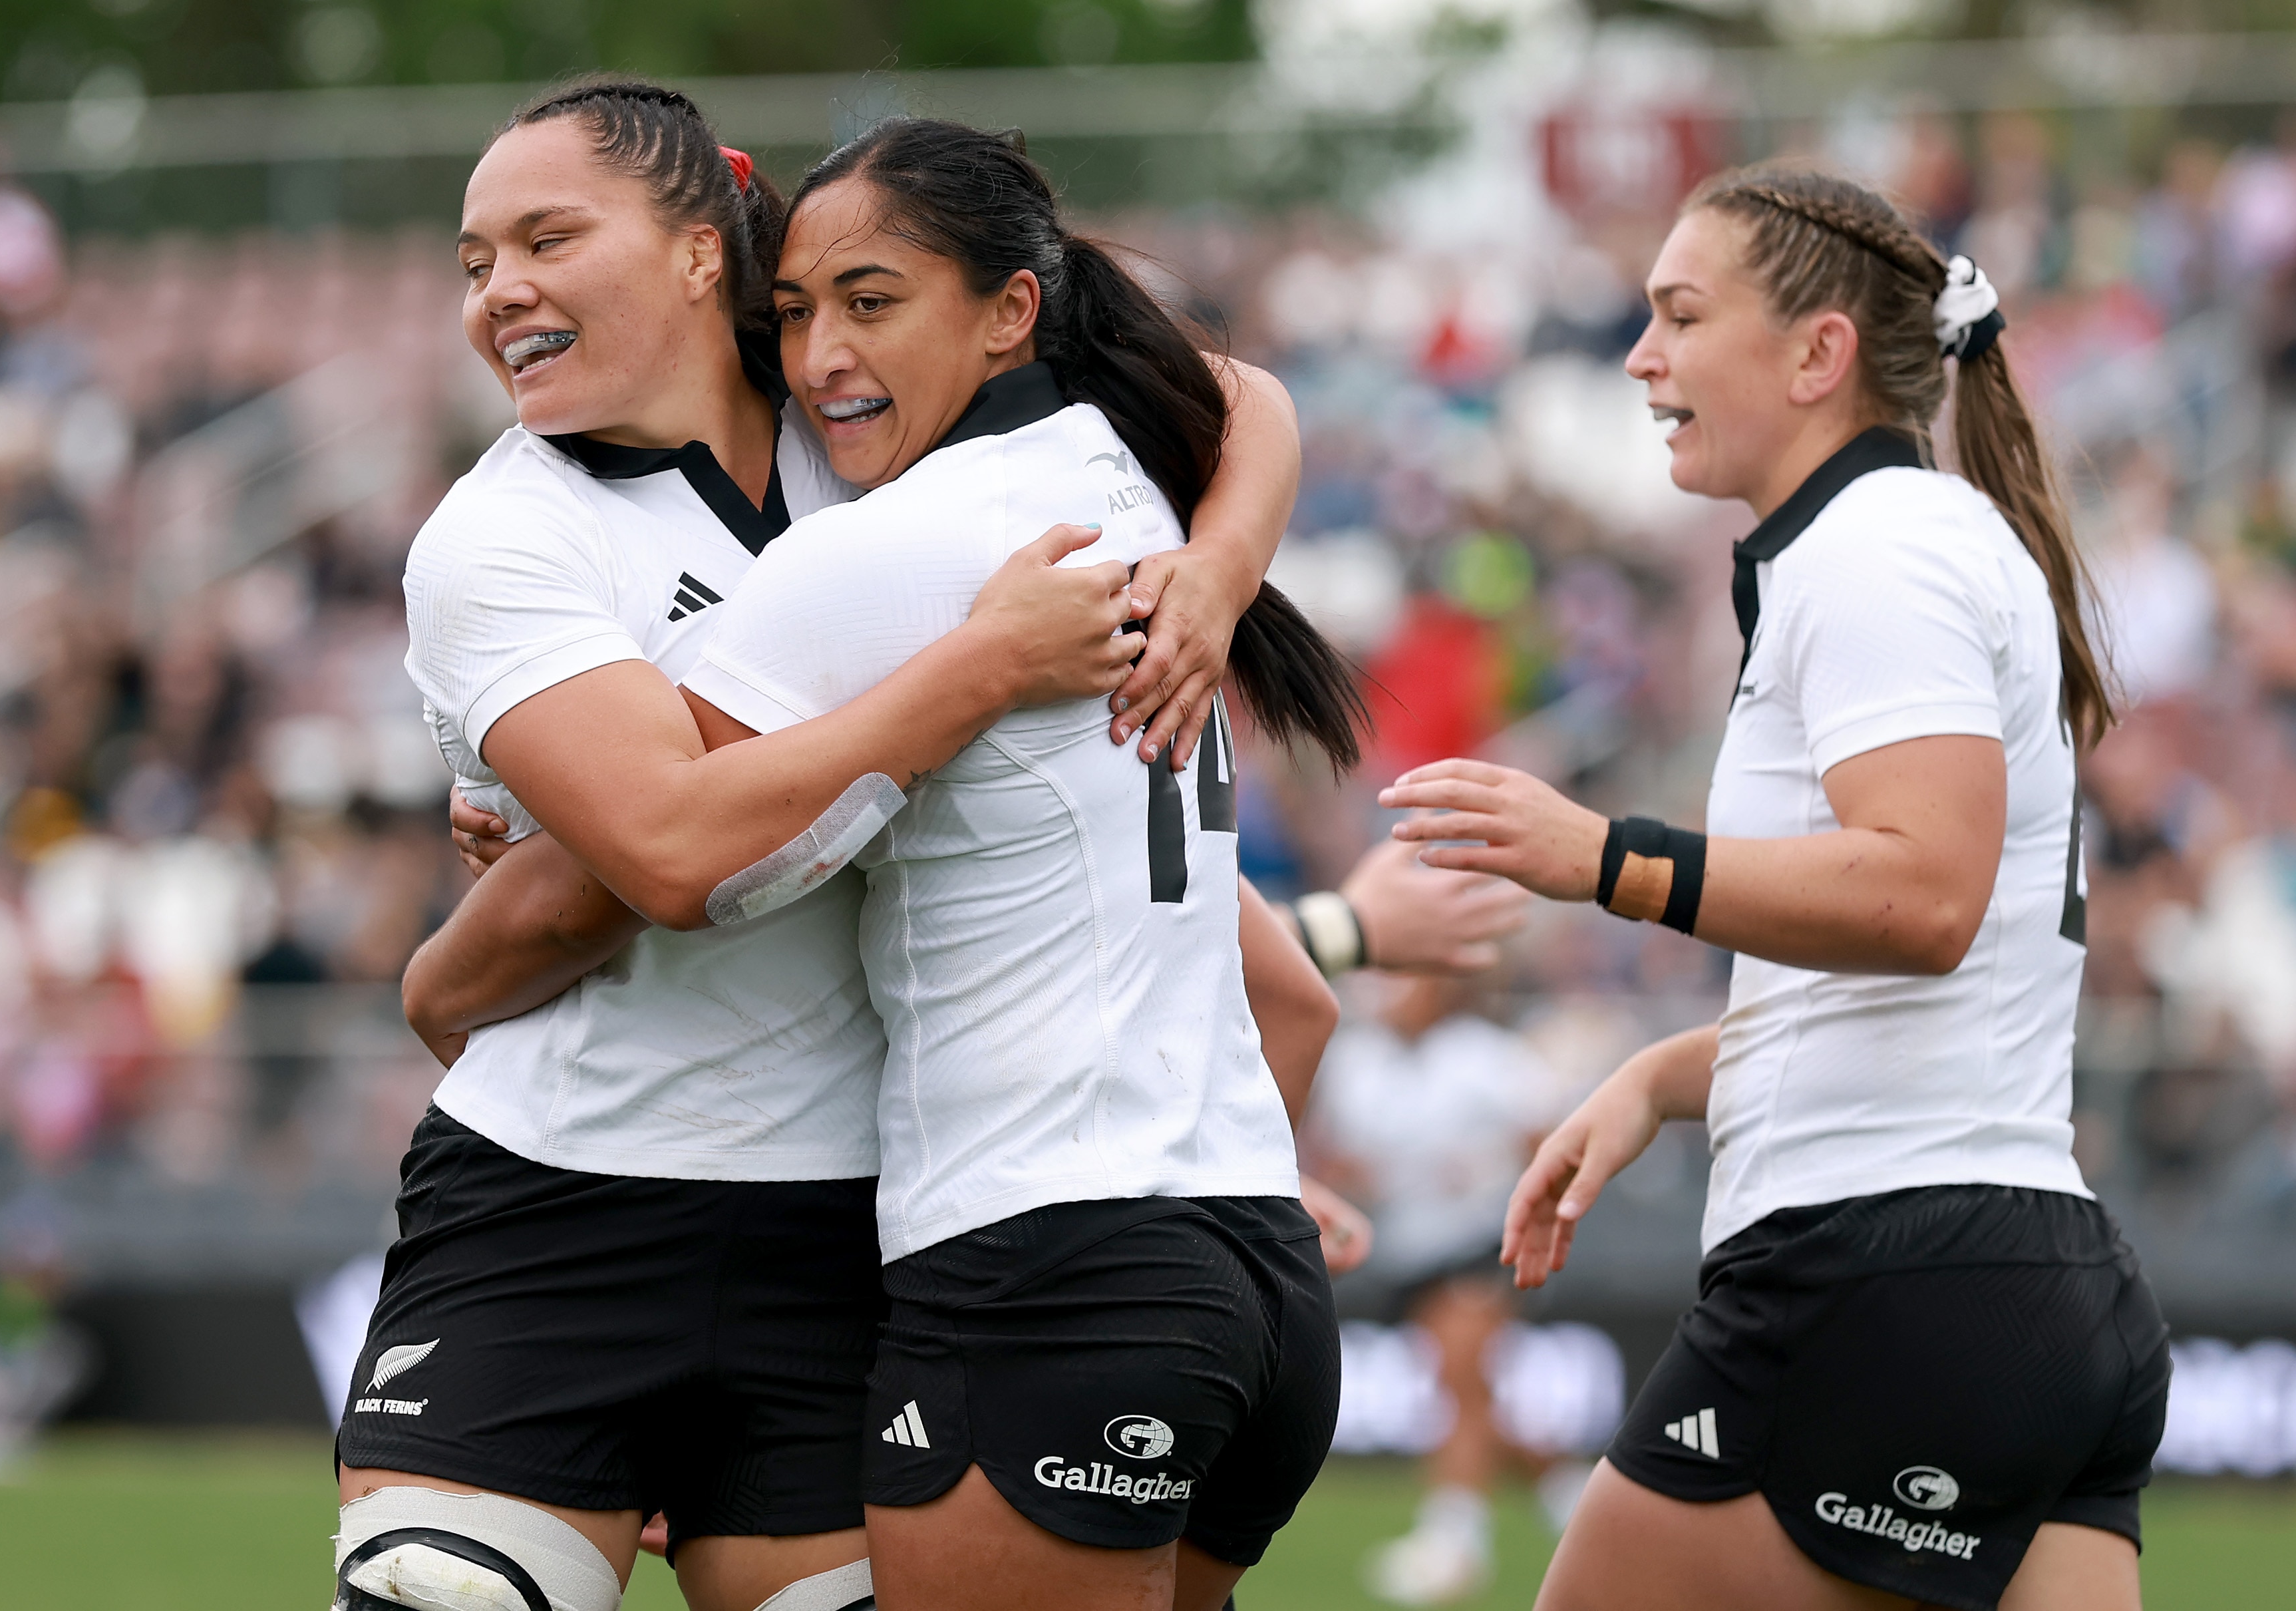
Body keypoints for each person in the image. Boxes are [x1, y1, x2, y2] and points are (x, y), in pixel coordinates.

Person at [339, 80, 1301, 1611]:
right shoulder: (496, 536)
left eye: (545, 237)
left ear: (700, 253)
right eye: (472, 263)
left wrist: (1216, 575)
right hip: (562, 1199)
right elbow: (658, 848)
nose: (499, 288)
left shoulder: (852, 418)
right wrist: (977, 664)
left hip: (847, 1235)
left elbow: (1233, 393)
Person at [1381, 164, 2169, 1611]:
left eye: (1681, 315)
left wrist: (1602, 859)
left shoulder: (1877, 547)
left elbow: (1925, 897)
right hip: (2030, 1281)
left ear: (1819, 354)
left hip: (1880, 1273)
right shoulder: (1913, 542)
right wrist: (1667, 1075)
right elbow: (1938, 960)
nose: (1640, 356)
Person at [667, 118, 1370, 1611]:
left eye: (871, 301)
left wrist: (502, 815)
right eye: (792, 314)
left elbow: (647, 835)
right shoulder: (1132, 468)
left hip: (1050, 1270)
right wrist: (1229, 562)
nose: (818, 358)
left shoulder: (912, 545)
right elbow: (1250, 393)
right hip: (1249, 1270)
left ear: (1009, 312)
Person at [1302, 976, 1570, 1606]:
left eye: (1403, 979)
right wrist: (1357, 1179)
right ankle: (1572, 1496)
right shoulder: (1355, 1061)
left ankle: (1456, 1542)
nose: (1391, 991)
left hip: (1483, 1241)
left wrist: (1490, 1169)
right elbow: (1337, 1159)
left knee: (1458, 1375)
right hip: (1404, 1252)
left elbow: (1547, 1141)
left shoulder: (1489, 1056)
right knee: (1468, 1391)